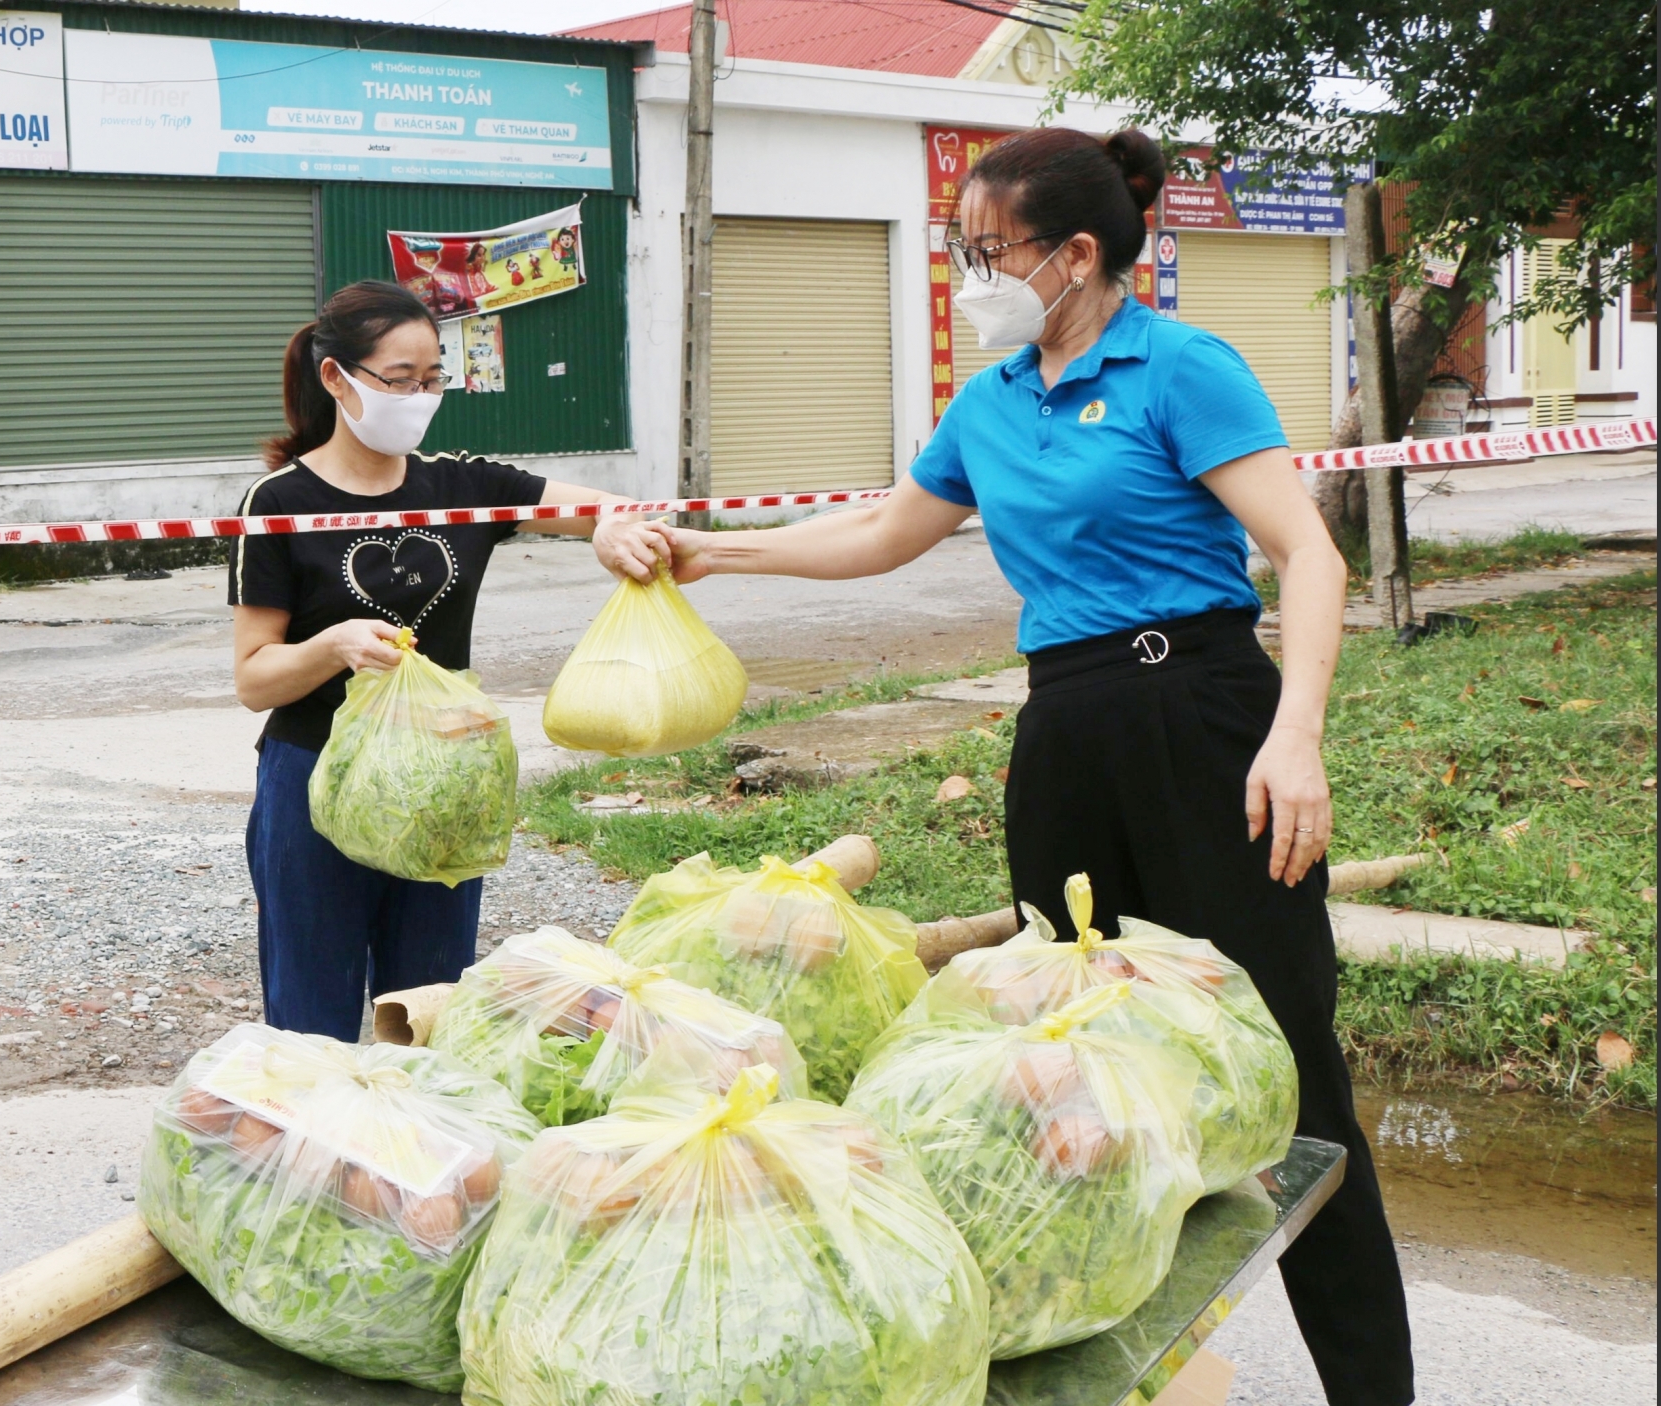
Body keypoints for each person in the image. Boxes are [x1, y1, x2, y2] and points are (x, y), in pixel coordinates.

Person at [633, 129, 1415, 1405]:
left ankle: (1374, 1390)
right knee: (1062, 1057)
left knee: (1292, 1075)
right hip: (1065, 737)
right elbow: (892, 528)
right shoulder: (992, 398)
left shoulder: (1179, 366)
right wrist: (716, 553)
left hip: (1207, 721)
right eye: (959, 253)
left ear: (1079, 255)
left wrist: (1299, 732)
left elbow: (1308, 556)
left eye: (984, 252)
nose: (966, 276)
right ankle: (1124, 1367)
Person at [230, 280, 666, 1044]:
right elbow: (254, 677)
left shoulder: (461, 485)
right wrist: (334, 646)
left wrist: (604, 530)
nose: (421, 396)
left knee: (428, 1009)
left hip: (444, 777)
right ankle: (315, 1156)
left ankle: (413, 1157)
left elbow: (610, 509)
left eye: (433, 379)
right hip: (313, 776)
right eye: (400, 381)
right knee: (310, 1017)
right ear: (337, 379)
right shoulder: (279, 502)